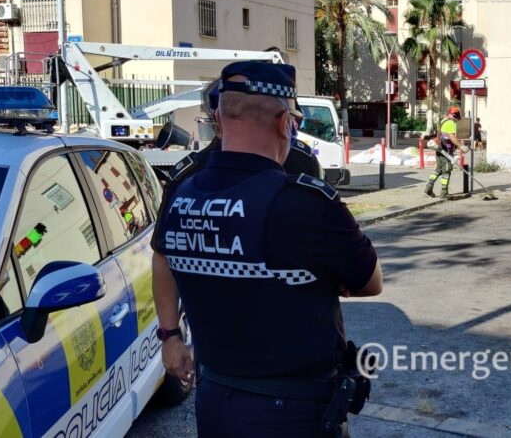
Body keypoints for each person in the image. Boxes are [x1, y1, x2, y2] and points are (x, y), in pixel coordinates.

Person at [152, 61, 383, 437]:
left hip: (216, 398)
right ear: (283, 123)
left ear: (220, 117)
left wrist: (170, 336)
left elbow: (167, 255)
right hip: (293, 410)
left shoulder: (181, 191)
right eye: (293, 118)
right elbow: (370, 280)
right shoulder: (306, 201)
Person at [423, 110, 465, 198]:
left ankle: (428, 188)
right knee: (447, 171)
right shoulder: (450, 123)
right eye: (456, 118)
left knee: (438, 170)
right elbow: (452, 137)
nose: (456, 120)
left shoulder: (443, 120)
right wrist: (461, 146)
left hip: (439, 149)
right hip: (446, 151)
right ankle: (444, 192)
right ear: (454, 116)